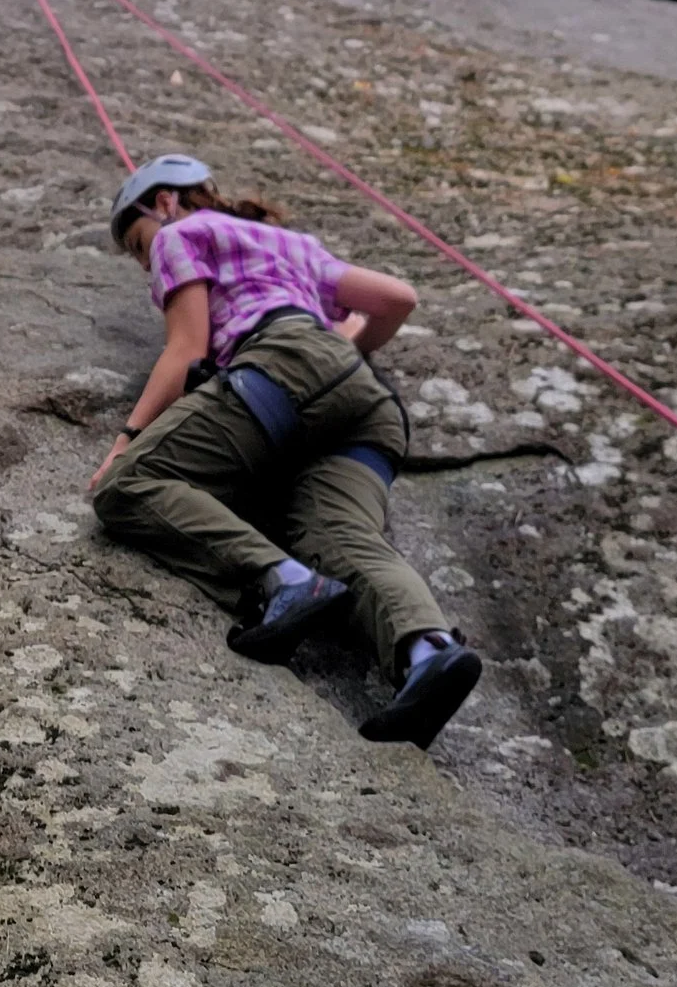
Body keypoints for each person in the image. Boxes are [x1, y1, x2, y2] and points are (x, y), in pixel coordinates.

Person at [88, 151, 483, 748]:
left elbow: (186, 350)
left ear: (163, 203)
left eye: (140, 246)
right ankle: (427, 651)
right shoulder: (289, 243)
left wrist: (127, 440)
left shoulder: (181, 234)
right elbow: (397, 298)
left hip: (278, 371)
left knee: (130, 487)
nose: (149, 263)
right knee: (340, 538)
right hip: (367, 406)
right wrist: (340, 344)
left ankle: (280, 580)